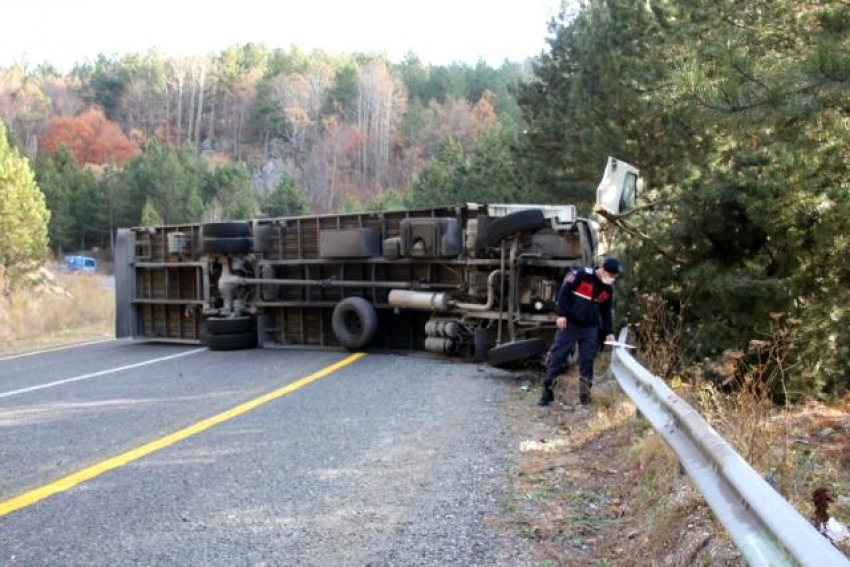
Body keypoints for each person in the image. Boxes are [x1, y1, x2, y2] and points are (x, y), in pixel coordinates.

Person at [538, 257, 621, 407]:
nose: (612, 278)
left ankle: (585, 398)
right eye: (610, 274)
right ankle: (547, 392)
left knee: (587, 361)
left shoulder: (607, 289)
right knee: (557, 358)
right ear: (602, 268)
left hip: (590, 328)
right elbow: (563, 294)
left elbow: (606, 311)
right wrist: (561, 315)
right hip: (569, 325)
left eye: (614, 276)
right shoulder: (581, 276)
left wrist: (609, 331)